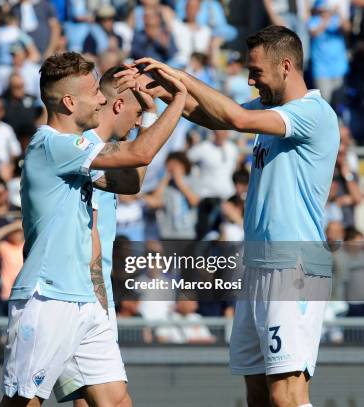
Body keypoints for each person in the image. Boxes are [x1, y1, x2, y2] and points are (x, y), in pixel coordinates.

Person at [132, 25, 339, 407]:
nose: (249, 79)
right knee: (258, 392)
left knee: (287, 395)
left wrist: (180, 75)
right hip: (258, 265)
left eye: (256, 72)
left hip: (293, 268)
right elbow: (214, 116)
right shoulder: (271, 110)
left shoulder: (313, 113)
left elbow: (236, 119)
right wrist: (165, 92)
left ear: (286, 66)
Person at [0, 52, 187, 406]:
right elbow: (140, 154)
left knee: (116, 401)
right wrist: (177, 100)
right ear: (70, 102)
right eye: (94, 93)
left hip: (84, 299)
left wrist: (146, 115)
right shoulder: (52, 144)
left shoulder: (79, 152)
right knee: (22, 403)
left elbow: (129, 182)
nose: (102, 99)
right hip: (48, 295)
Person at [53, 64, 158, 405]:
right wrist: (98, 305)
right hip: (83, 296)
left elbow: (134, 181)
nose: (137, 120)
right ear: (118, 106)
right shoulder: (85, 152)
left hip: (88, 296)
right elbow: (89, 233)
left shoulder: (101, 153)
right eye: (137, 111)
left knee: (88, 401)